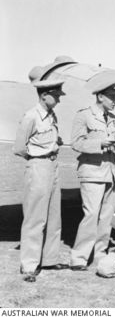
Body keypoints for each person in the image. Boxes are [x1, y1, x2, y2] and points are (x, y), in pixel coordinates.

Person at [13, 79, 67, 282]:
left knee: (54, 215)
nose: (59, 99)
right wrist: (37, 157)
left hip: (53, 165)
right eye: (57, 95)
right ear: (44, 95)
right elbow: (19, 147)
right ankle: (29, 266)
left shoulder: (52, 115)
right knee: (35, 217)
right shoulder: (31, 116)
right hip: (38, 166)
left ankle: (49, 259)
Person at [70, 81, 115, 270]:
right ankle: (79, 257)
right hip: (92, 173)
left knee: (107, 217)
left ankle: (100, 254)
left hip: (112, 173)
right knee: (91, 215)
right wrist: (101, 143)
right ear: (100, 96)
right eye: (112, 97)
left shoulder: (114, 118)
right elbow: (76, 143)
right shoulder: (84, 115)